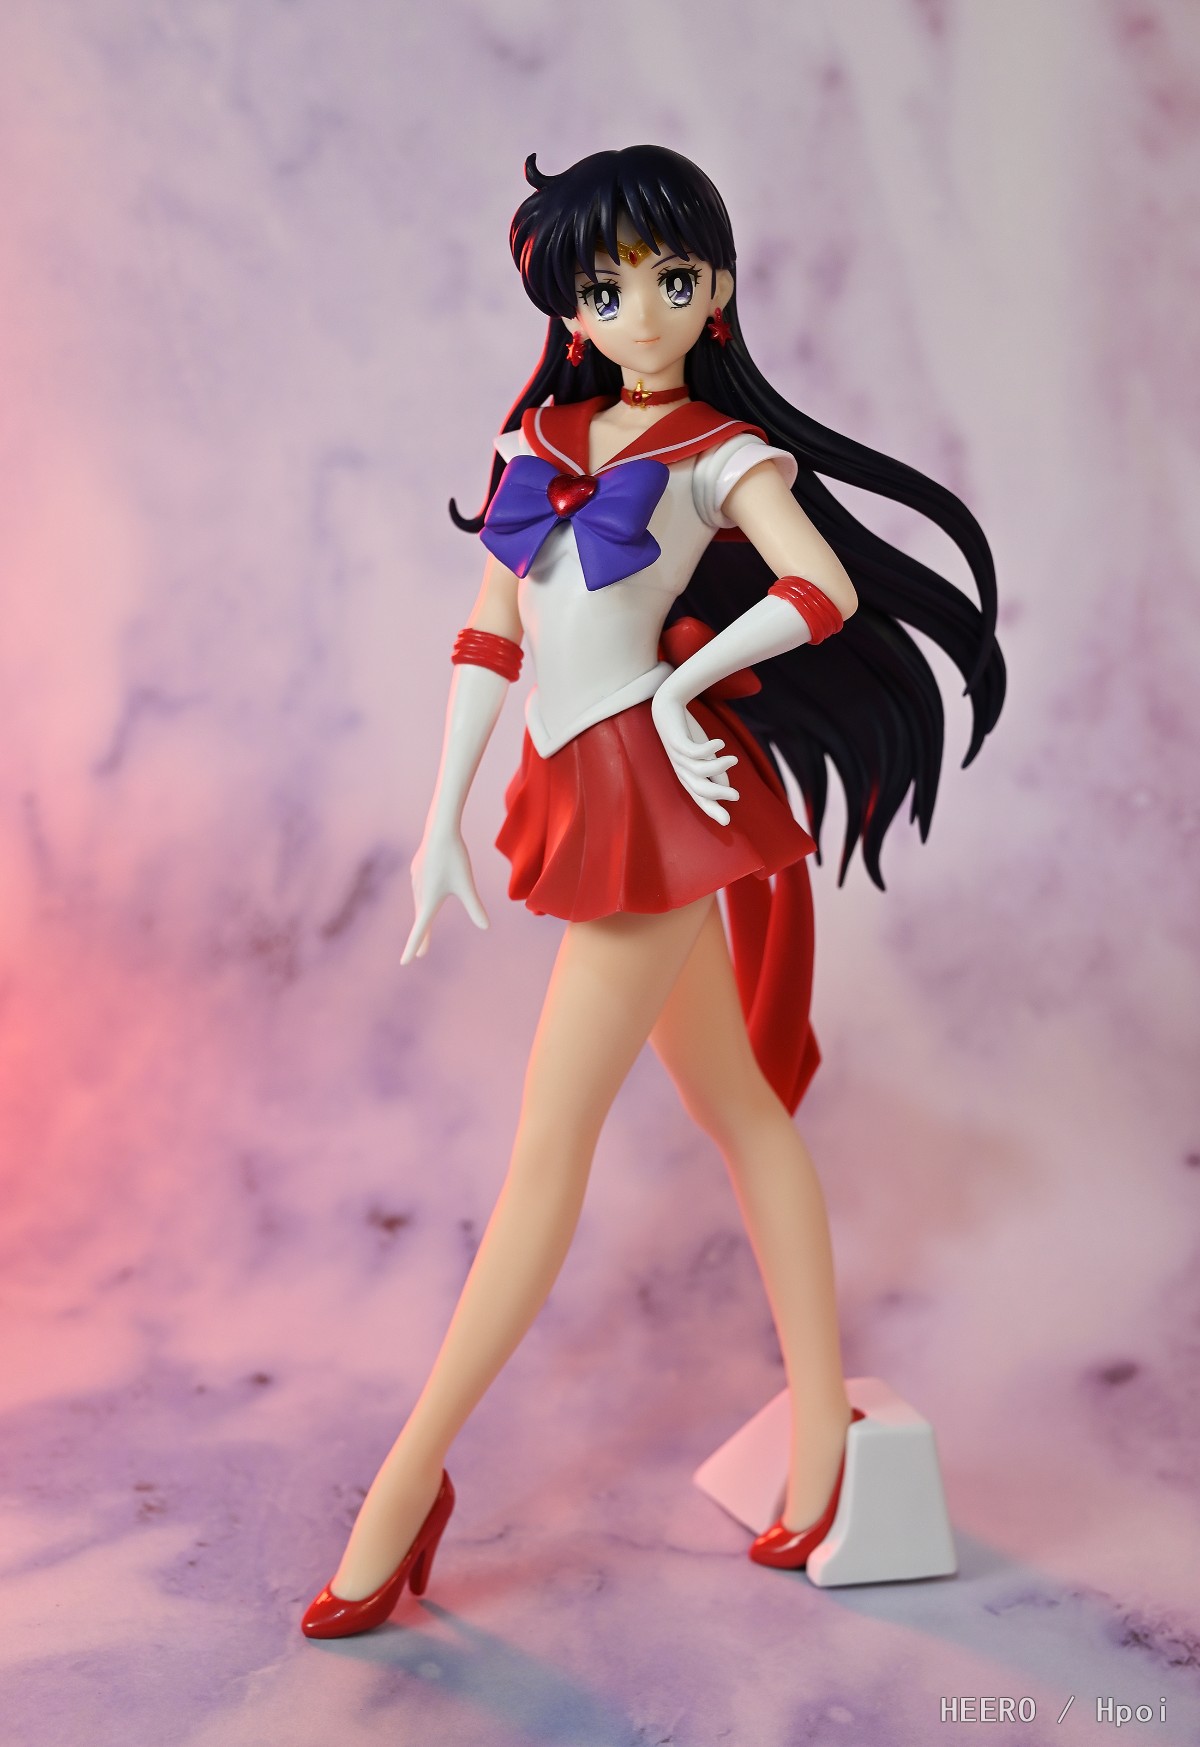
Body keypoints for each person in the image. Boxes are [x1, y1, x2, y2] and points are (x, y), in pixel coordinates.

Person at [301, 145, 1004, 1638]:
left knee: (544, 1158)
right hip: (580, 786)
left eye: (672, 280)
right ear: (569, 307)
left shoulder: (719, 454)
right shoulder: (537, 442)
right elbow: (492, 635)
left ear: (718, 288)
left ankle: (406, 1484)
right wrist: (439, 820)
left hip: (654, 792)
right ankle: (821, 1431)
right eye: (608, 290)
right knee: (736, 1105)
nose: (642, 311)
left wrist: (685, 683)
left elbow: (824, 590)